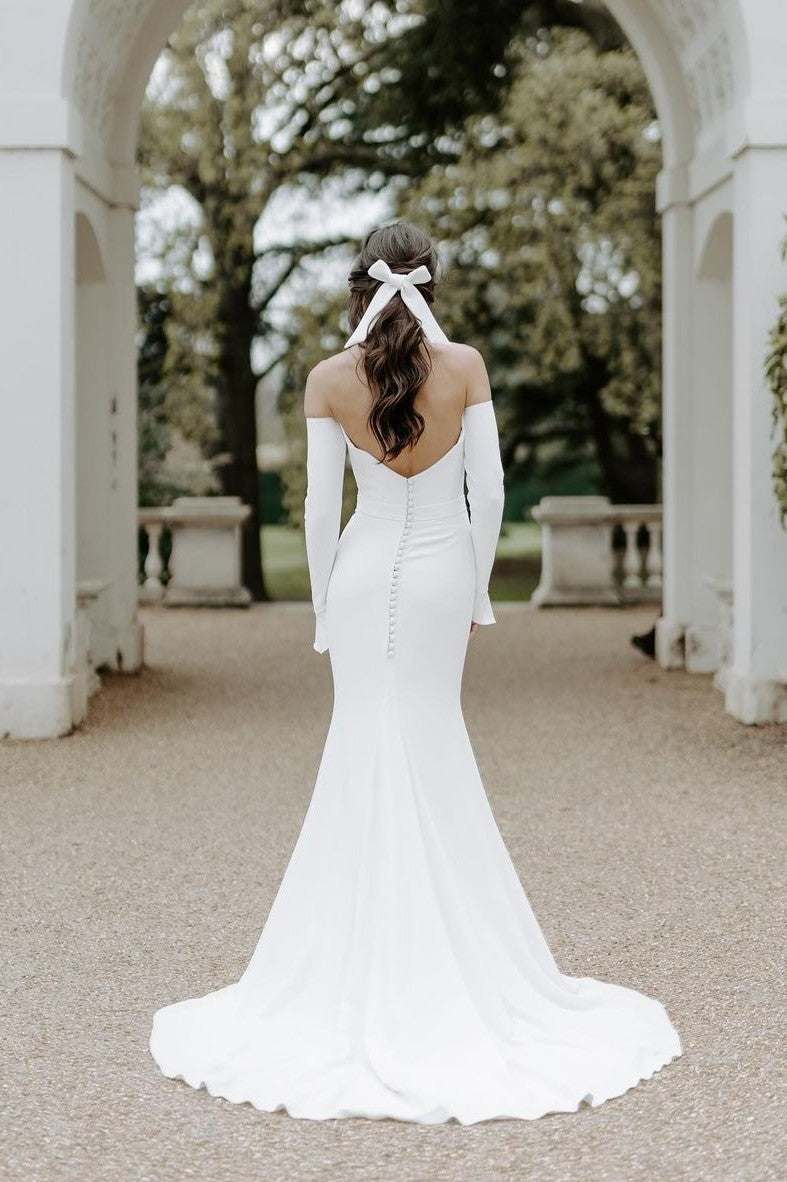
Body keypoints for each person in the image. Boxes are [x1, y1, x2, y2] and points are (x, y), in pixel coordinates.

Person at [149, 220, 682, 1124]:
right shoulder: (465, 367)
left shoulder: (326, 379)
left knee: (362, 739)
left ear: (360, 286)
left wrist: (323, 606)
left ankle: (357, 956)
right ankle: (449, 956)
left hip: (361, 577)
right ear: (428, 284)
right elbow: (493, 492)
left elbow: (322, 510)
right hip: (439, 575)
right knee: (431, 739)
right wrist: (477, 593)